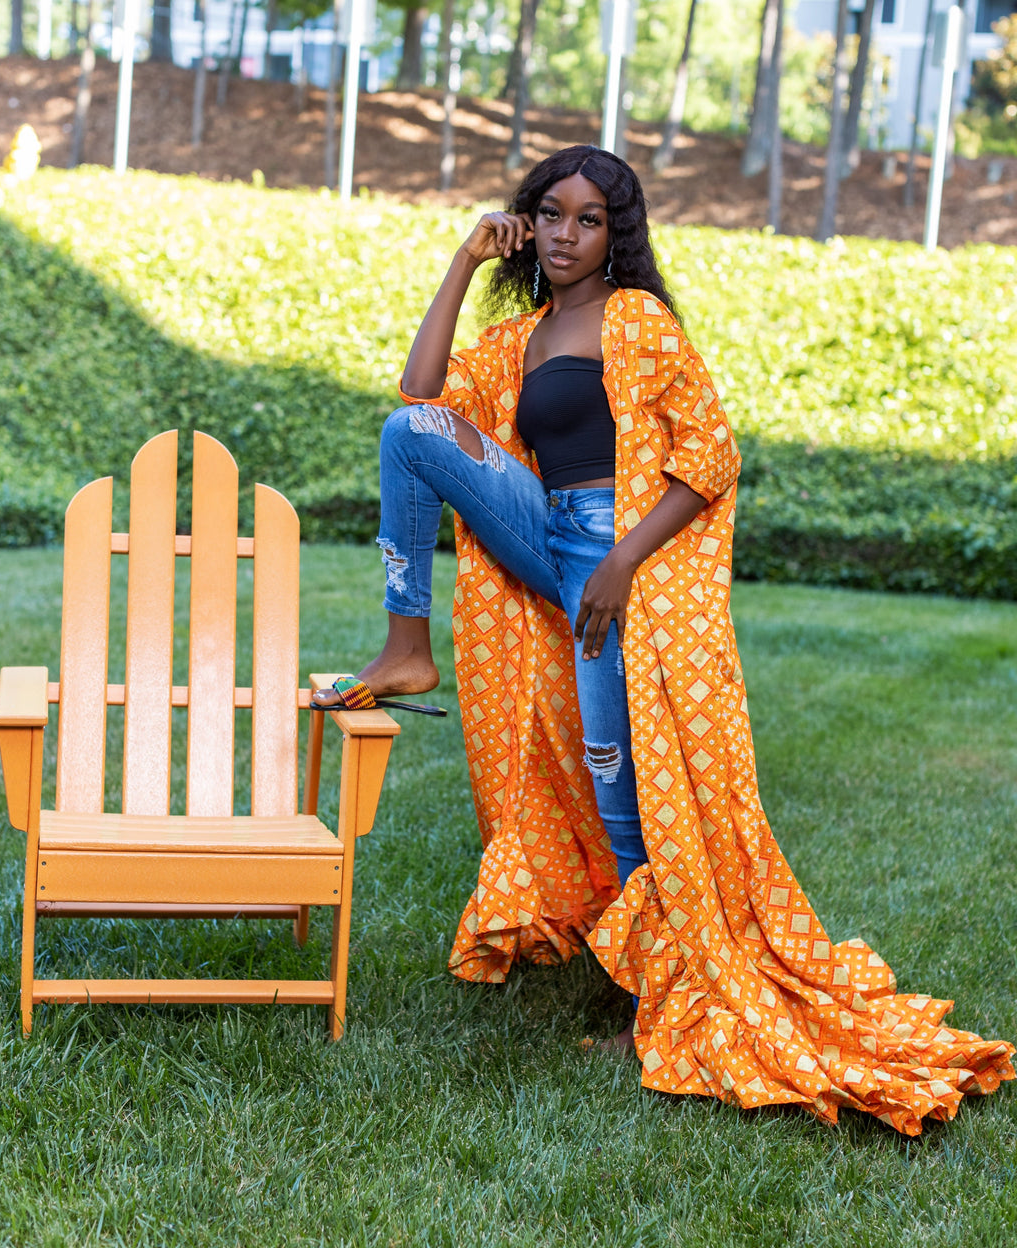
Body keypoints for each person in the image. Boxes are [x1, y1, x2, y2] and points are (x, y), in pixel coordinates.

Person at [315, 144, 1014, 1134]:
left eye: (587, 218)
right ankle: (405, 645)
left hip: (613, 555)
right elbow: (419, 388)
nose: (563, 233)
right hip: (541, 529)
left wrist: (621, 563)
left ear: (616, 234)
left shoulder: (637, 321)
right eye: (548, 213)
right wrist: (465, 261)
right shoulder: (519, 337)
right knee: (409, 431)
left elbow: (709, 456)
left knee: (620, 788)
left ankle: (660, 989)